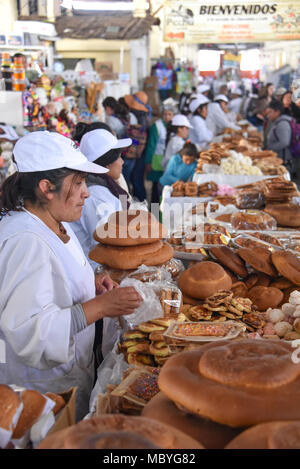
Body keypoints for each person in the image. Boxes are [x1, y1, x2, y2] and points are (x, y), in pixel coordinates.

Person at [0, 131, 142, 421]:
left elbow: (53, 276)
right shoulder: (25, 239)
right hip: (40, 395)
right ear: (46, 188)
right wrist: (102, 307)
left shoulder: (51, 221)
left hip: (66, 376)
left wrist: (88, 281)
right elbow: (31, 332)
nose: (86, 192)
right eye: (77, 183)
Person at [71, 123, 132, 261]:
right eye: (118, 157)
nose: (122, 161)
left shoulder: (102, 186)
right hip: (98, 272)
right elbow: (106, 244)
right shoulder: (96, 195)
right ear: (107, 163)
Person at [122, 91, 151, 201]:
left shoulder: (133, 116)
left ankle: (140, 203)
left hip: (135, 152)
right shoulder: (144, 115)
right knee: (137, 179)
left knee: (136, 179)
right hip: (140, 151)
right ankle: (142, 202)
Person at [145, 106, 175, 204]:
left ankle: (163, 213)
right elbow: (151, 146)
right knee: (155, 190)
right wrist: (148, 161)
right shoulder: (157, 126)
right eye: (165, 114)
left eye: (169, 114)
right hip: (156, 163)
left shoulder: (175, 126)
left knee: (166, 190)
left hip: (169, 163)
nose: (167, 117)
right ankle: (154, 213)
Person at [264, 99, 294, 174]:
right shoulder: (277, 122)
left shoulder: (282, 124)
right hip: (278, 157)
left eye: (270, 112)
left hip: (283, 160)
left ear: (277, 112)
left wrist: (270, 148)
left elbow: (284, 142)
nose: (268, 116)